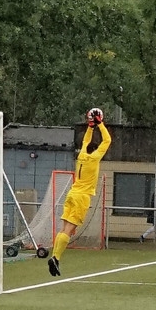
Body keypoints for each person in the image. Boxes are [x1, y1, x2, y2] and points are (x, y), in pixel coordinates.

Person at [48, 108, 111, 277]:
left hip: (72, 193)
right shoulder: (94, 158)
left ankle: (55, 257)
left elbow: (86, 141)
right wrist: (100, 124)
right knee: (69, 230)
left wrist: (90, 126)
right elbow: (107, 140)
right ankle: (55, 257)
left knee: (64, 229)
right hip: (82, 197)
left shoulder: (82, 155)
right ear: (96, 150)